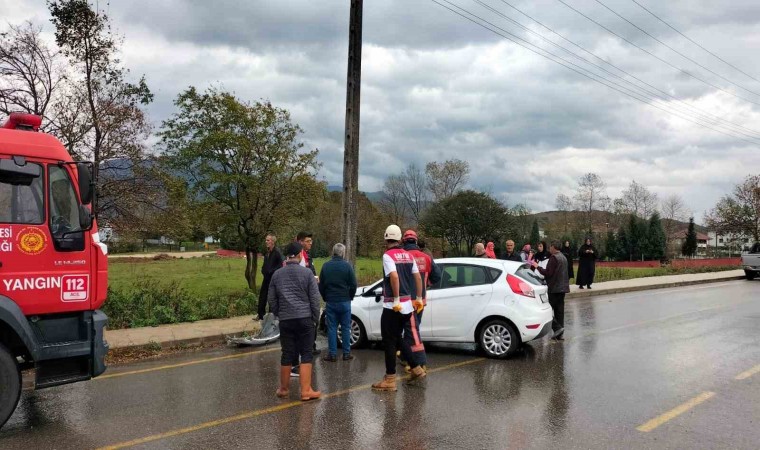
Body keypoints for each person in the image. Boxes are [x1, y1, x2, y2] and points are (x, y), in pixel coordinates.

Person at [372, 225, 426, 392]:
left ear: (386, 238)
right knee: (397, 337)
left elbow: (394, 276)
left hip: (392, 306)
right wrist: (418, 298)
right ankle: (416, 368)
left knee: (389, 341)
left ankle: (390, 379)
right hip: (408, 305)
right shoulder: (408, 256)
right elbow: (417, 277)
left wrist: (395, 298)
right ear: (400, 239)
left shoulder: (388, 255)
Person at [268, 242, 321, 401]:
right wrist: (315, 318)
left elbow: (271, 299)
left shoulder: (277, 275)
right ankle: (306, 391)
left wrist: (279, 313)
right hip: (304, 318)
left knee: (287, 353)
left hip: (286, 319)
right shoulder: (307, 274)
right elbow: (314, 299)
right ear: (299, 255)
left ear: (286, 256)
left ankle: (284, 389)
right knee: (306, 353)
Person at [401, 230, 441, 372]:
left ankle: (419, 361)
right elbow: (437, 276)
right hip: (420, 301)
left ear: (404, 241)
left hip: (405, 301)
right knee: (412, 329)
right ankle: (407, 357)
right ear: (416, 241)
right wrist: (426, 283)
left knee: (412, 331)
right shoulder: (426, 257)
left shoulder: (402, 256)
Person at [319, 243, 358, 362]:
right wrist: (350, 296)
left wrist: (325, 297)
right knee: (346, 328)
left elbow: (321, 285)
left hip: (331, 301)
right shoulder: (347, 266)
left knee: (332, 328)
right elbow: (353, 284)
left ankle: (332, 354)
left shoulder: (326, 266)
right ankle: (346, 353)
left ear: (333, 252)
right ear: (343, 253)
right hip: (345, 301)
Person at [292, 231, 319, 378]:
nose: (310, 243)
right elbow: (301, 277)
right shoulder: (300, 256)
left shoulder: (307, 255)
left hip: (305, 298)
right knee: (299, 334)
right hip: (302, 300)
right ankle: (297, 365)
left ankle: (299, 361)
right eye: (308, 241)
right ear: (301, 242)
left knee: (303, 333)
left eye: (311, 241)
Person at [531, 240, 570, 340]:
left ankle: (557, 328)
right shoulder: (563, 257)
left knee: (546, 311)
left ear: (553, 247)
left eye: (550, 247)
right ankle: (560, 333)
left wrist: (537, 267)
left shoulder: (553, 258)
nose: (549, 249)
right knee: (559, 312)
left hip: (554, 289)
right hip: (563, 289)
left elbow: (548, 273)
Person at [257, 234, 283, 321]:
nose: (266, 242)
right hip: (266, 278)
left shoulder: (277, 252)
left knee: (271, 297)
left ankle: (272, 316)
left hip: (273, 279)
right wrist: (263, 270)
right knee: (262, 296)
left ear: (273, 241)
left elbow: (281, 265)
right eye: (266, 240)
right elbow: (265, 264)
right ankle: (260, 315)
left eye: (268, 240)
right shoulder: (268, 252)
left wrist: (272, 271)